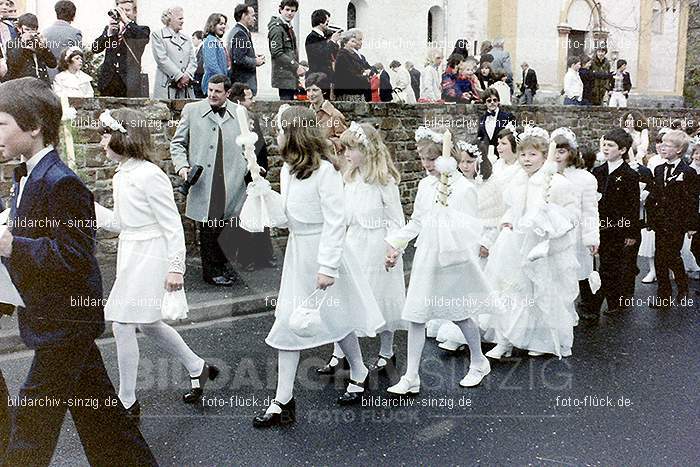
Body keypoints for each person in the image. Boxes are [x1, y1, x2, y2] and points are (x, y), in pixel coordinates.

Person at [0, 77, 158, 466]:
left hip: (65, 323)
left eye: (1, 123)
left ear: (34, 126)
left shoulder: (62, 182)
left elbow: (74, 257)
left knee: (32, 428)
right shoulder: (27, 176)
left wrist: (11, 245)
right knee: (102, 418)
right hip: (59, 320)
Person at [253, 106, 384, 427]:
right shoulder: (286, 170)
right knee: (289, 322)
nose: (277, 135)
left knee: (336, 317)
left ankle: (359, 370)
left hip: (325, 254)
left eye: (281, 130)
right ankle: (283, 400)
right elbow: (286, 219)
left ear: (295, 134)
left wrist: (327, 266)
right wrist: (265, 193)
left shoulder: (325, 171)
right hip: (298, 253)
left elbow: (336, 223)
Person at [96, 108, 217, 421]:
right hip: (131, 253)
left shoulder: (150, 175)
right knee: (148, 322)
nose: (101, 143)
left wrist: (176, 267)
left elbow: (172, 224)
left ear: (124, 136)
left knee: (123, 323)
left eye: (105, 134)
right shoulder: (121, 174)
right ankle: (197, 367)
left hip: (152, 254)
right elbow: (120, 222)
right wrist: (88, 204)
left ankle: (127, 399)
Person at [385, 127, 493, 394]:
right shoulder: (424, 185)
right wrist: (396, 244)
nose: (426, 165)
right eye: (422, 159)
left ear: (447, 157)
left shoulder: (463, 188)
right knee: (417, 316)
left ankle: (479, 361)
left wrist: (449, 225)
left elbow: (470, 230)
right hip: (426, 256)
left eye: (431, 159)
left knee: (460, 314)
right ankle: (411, 377)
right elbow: (418, 221)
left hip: (453, 260)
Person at [317, 122, 407, 376]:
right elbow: (340, 216)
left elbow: (395, 220)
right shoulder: (349, 178)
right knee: (345, 299)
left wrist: (393, 249)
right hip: (353, 244)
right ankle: (340, 354)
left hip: (378, 246)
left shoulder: (384, 181)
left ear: (368, 150)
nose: (346, 154)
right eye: (344, 149)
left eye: (352, 149)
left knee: (382, 298)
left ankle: (387, 352)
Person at [483, 126, 579, 359]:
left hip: (539, 245)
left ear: (545, 156)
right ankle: (504, 339)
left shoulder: (556, 183)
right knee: (509, 289)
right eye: (523, 154)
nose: (527, 159)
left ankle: (542, 339)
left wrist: (550, 220)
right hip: (514, 242)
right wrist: (506, 221)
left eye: (533, 154)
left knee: (541, 291)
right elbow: (510, 208)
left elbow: (572, 215)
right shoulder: (516, 181)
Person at [170, 74, 247, 287]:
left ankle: (222, 266)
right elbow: (177, 144)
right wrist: (183, 167)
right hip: (205, 180)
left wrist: (251, 171)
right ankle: (211, 272)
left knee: (229, 225)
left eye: (217, 91)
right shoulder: (192, 110)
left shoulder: (240, 112)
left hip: (232, 179)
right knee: (209, 226)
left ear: (228, 93)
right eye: (210, 90)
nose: (212, 94)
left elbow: (248, 145)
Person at [551, 128, 601, 320]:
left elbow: (589, 210)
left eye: (561, 151)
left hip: (575, 233)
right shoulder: (545, 174)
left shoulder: (585, 178)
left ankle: (587, 307)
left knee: (578, 272)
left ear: (571, 153)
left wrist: (591, 237)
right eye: (554, 150)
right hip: (551, 231)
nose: (556, 156)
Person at [590, 128, 640, 315]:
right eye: (604, 144)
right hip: (599, 225)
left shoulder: (629, 175)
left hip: (618, 228)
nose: (605, 148)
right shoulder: (598, 171)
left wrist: (631, 233)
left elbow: (632, 206)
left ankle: (612, 303)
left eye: (611, 145)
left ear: (622, 150)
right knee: (602, 265)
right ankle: (601, 301)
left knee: (612, 266)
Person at [646, 130, 697, 306]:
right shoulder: (659, 169)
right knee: (660, 256)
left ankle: (682, 286)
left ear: (679, 150)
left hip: (677, 223)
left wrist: (692, 225)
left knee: (672, 256)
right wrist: (650, 219)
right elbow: (654, 196)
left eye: (667, 145)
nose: (662, 147)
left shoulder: (688, 172)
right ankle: (664, 295)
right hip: (661, 221)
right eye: (661, 144)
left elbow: (692, 200)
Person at [228, 82, 276, 270]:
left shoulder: (253, 118)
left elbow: (261, 146)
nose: (253, 100)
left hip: (256, 173)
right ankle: (247, 257)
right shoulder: (232, 120)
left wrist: (261, 168)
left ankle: (265, 255)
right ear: (239, 100)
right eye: (249, 97)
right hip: (240, 175)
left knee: (261, 215)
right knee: (245, 218)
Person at [91, 0, 150, 98]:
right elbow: (95, 48)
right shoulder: (110, 29)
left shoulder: (141, 30)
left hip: (129, 83)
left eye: (127, 10)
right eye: (121, 10)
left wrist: (126, 21)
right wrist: (108, 33)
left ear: (135, 13)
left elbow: (143, 37)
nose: (123, 13)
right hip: (109, 82)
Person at [639, 128, 670, 283]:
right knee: (650, 240)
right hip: (652, 205)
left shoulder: (674, 162)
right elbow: (649, 181)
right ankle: (652, 270)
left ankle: (670, 270)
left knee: (668, 244)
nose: (660, 146)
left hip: (667, 207)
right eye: (658, 143)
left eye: (664, 143)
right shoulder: (653, 161)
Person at [151, 6, 198, 99]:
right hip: (167, 88)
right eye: (180, 18)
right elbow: (162, 59)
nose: (183, 21)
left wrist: (187, 76)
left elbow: (193, 61)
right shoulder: (158, 35)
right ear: (169, 19)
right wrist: (179, 76)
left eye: (183, 18)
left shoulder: (187, 39)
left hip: (186, 89)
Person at [306, 72, 347, 168]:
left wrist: (329, 143)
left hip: (330, 164)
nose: (311, 94)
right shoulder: (306, 115)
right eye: (308, 90)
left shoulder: (335, 115)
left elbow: (345, 141)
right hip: (310, 163)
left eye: (315, 90)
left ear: (323, 91)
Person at [268, 0, 305, 101]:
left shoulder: (287, 27)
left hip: (291, 76)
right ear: (280, 10)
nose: (290, 13)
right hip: (284, 77)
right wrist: (296, 66)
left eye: (293, 11)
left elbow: (291, 52)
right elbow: (276, 53)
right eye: (287, 9)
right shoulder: (277, 29)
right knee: (286, 107)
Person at [5, 13, 57, 83]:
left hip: (41, 84)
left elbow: (52, 64)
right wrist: (23, 44)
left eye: (32, 30)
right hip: (23, 86)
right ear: (19, 29)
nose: (30, 33)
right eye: (27, 29)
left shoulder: (38, 42)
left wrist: (44, 48)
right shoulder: (12, 43)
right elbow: (13, 66)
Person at [42, 0, 82, 82]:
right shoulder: (75, 33)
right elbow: (77, 57)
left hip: (47, 75)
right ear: (73, 15)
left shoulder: (45, 32)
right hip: (67, 77)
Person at [230, 3, 265, 96]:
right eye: (253, 15)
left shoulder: (238, 31)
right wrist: (255, 61)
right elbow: (239, 58)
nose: (255, 19)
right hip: (243, 84)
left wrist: (253, 56)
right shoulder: (240, 34)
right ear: (243, 16)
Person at [305, 8, 340, 92]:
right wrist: (332, 41)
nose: (328, 24)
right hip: (317, 78)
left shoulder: (323, 36)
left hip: (326, 76)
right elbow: (321, 55)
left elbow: (333, 54)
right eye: (327, 21)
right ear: (321, 22)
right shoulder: (312, 37)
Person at [333, 28, 371, 102]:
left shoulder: (358, 55)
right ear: (345, 42)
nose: (358, 43)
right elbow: (347, 75)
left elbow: (369, 68)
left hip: (358, 92)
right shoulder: (342, 55)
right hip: (349, 93)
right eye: (353, 41)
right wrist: (364, 76)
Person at [200, 13, 228, 95]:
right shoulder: (210, 40)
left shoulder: (216, 40)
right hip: (212, 84)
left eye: (224, 24)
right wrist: (223, 79)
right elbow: (211, 64)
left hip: (218, 83)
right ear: (213, 24)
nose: (223, 26)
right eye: (220, 24)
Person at [192, 30, 205, 98]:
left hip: (200, 78)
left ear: (200, 39)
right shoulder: (198, 49)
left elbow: (200, 65)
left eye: (194, 38)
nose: (192, 41)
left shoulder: (203, 48)